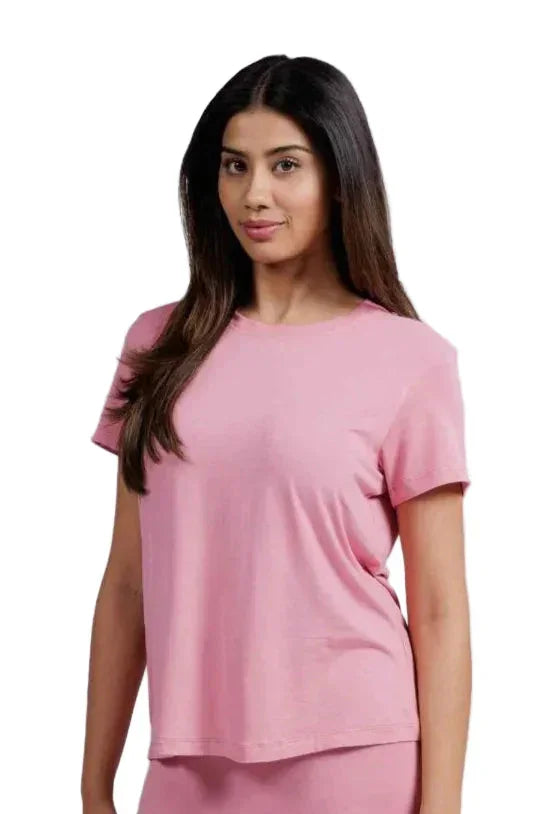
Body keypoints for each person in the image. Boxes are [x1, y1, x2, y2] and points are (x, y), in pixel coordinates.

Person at [81, 55, 472, 814]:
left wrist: (444, 807)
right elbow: (127, 582)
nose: (253, 193)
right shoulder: (156, 345)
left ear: (340, 178)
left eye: (285, 165)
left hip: (355, 755)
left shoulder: (412, 360)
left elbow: (439, 609)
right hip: (186, 762)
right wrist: (94, 783)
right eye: (235, 165)